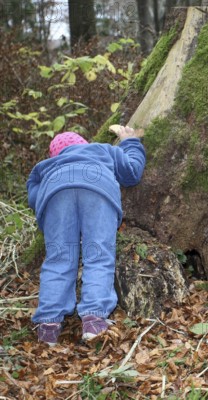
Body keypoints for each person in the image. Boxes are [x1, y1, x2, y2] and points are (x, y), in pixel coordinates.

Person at [27, 126, 146, 346]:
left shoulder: (45, 167)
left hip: (56, 194)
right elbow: (132, 172)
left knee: (58, 259)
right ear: (84, 144)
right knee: (98, 255)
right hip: (97, 189)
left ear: (56, 155)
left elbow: (34, 195)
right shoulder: (103, 150)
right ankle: (93, 320)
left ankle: (48, 326)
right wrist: (130, 142)